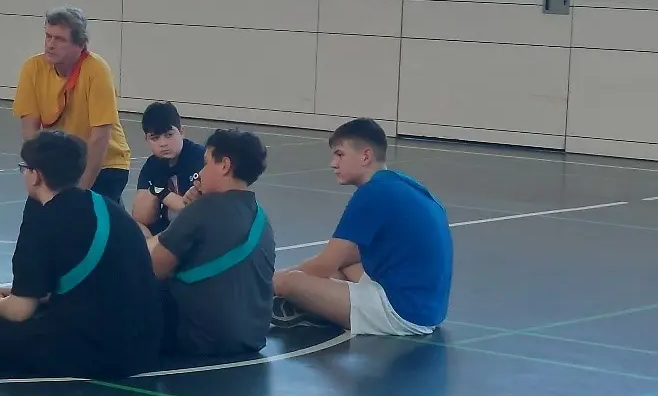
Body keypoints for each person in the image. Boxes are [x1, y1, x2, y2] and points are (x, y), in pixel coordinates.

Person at [0, 131, 162, 378]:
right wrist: (11, 294)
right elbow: (86, 282)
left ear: (36, 176)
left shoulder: (43, 222)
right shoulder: (108, 207)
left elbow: (20, 311)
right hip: (143, 344)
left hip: (99, 351)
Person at [272, 118, 453, 336]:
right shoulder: (401, 183)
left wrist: (275, 281)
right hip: (429, 309)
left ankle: (309, 305)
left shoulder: (372, 193)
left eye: (340, 155)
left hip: (403, 313)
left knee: (289, 283)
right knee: (345, 264)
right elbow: (346, 257)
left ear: (365, 156)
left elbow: (324, 265)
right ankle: (314, 305)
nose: (333, 163)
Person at [147, 129, 275, 358]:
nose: (200, 173)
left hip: (199, 338)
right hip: (251, 337)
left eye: (206, 164)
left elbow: (153, 269)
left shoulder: (201, 210)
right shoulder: (262, 217)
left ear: (224, 165)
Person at [12, 7, 131, 205]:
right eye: (48, 36)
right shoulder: (32, 68)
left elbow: (100, 137)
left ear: (81, 45)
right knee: (36, 216)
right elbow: (30, 132)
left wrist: (79, 192)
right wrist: (39, 174)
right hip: (62, 164)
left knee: (87, 220)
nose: (50, 44)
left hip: (105, 164)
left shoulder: (97, 70)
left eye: (59, 39)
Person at [133, 101, 207, 238]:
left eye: (169, 135)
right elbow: (140, 217)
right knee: (135, 229)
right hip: (167, 229)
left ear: (182, 132)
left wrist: (161, 192)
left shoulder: (200, 158)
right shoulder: (152, 165)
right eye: (155, 138)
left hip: (196, 230)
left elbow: (194, 211)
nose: (163, 143)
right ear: (147, 140)